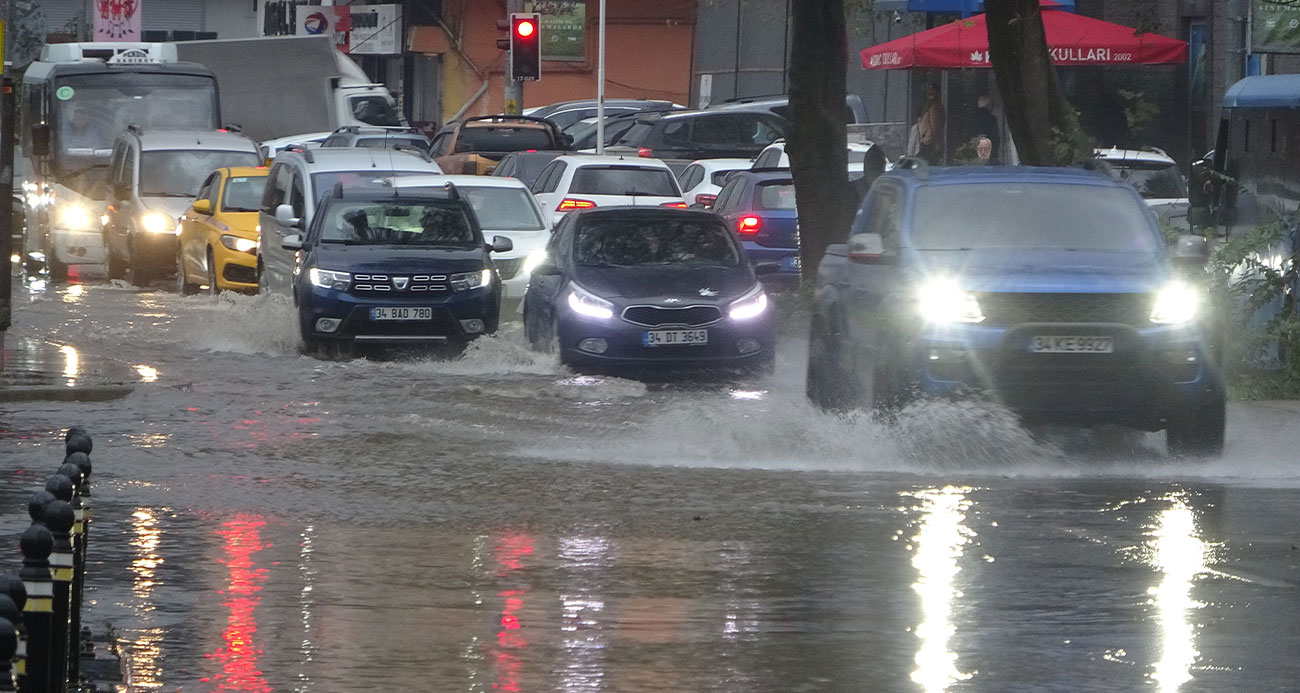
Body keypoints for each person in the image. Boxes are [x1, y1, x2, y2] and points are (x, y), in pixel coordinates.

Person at [915, 84, 945, 163]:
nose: (930, 95)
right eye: (928, 92)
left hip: (931, 145)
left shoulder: (935, 108)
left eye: (932, 92)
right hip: (924, 144)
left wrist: (927, 141)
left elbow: (935, 128)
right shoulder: (926, 108)